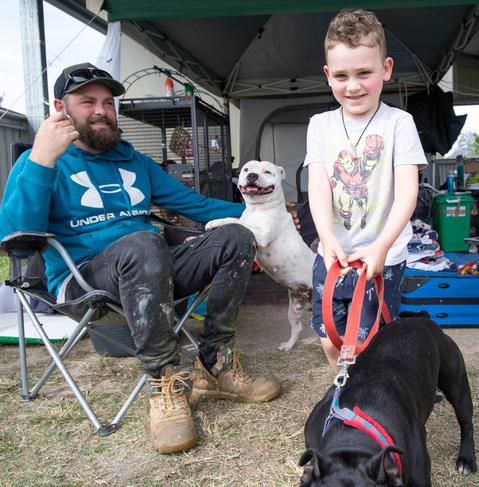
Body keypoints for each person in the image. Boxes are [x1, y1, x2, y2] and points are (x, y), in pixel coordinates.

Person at [0, 63, 282, 454]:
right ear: (60, 108)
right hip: (84, 281)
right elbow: (18, 240)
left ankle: (215, 363)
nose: (100, 110)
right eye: (87, 102)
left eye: (107, 102)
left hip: (152, 270)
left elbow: (196, 204)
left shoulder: (135, 162)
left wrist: (273, 210)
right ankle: (164, 382)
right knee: (143, 242)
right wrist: (43, 160)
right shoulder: (39, 161)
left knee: (235, 235)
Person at [304, 9, 428, 369]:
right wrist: (326, 239)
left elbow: (407, 191)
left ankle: (367, 397)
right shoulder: (319, 125)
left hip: (382, 255)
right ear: (328, 75)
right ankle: (343, 390)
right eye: (342, 76)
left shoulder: (399, 123)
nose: (353, 86)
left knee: (369, 340)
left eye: (364, 73)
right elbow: (318, 186)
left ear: (385, 69)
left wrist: (382, 246)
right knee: (329, 337)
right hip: (332, 255)